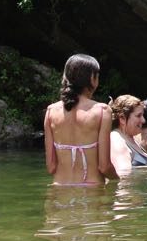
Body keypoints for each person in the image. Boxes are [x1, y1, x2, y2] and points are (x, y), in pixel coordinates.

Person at [44, 54, 115, 186]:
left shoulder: (50, 111)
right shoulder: (102, 111)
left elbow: (51, 167)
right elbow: (104, 167)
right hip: (92, 193)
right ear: (92, 79)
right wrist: (119, 181)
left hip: (60, 192)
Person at [110, 94, 147, 170]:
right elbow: (123, 174)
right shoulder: (117, 140)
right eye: (139, 116)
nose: (143, 120)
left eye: (143, 115)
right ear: (122, 118)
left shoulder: (130, 138)